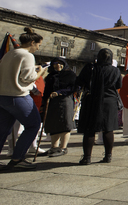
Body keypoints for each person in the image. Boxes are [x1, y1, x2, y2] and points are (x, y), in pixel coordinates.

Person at [0, 28, 45, 170]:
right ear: (32, 42)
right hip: (18, 96)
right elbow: (27, 78)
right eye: (38, 45)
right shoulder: (27, 55)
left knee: (3, 130)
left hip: (3, 96)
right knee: (33, 125)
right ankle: (17, 158)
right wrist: (41, 72)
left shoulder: (9, 54)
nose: (38, 48)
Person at [76, 48, 122, 164]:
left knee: (89, 129)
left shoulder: (90, 68)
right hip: (109, 101)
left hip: (92, 99)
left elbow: (79, 82)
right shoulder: (115, 71)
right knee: (108, 129)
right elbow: (118, 85)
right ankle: (108, 156)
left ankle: (87, 157)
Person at [42, 57, 77, 157]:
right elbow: (46, 90)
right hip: (52, 102)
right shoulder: (50, 76)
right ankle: (54, 147)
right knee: (53, 124)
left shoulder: (70, 75)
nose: (58, 66)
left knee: (65, 124)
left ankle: (63, 147)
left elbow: (73, 88)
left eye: (60, 64)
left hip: (65, 100)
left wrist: (59, 92)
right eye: (55, 64)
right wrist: (43, 102)